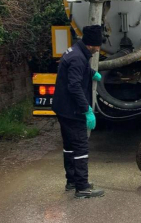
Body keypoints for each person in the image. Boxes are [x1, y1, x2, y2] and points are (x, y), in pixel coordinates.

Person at [52, 25, 105, 198]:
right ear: (91, 45)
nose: (99, 48)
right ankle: (82, 187)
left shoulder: (75, 51)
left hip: (63, 108)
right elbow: (74, 85)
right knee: (81, 146)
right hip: (72, 111)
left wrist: (91, 73)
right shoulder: (78, 58)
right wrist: (87, 109)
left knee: (69, 146)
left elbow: (76, 71)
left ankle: (72, 180)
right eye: (98, 45)